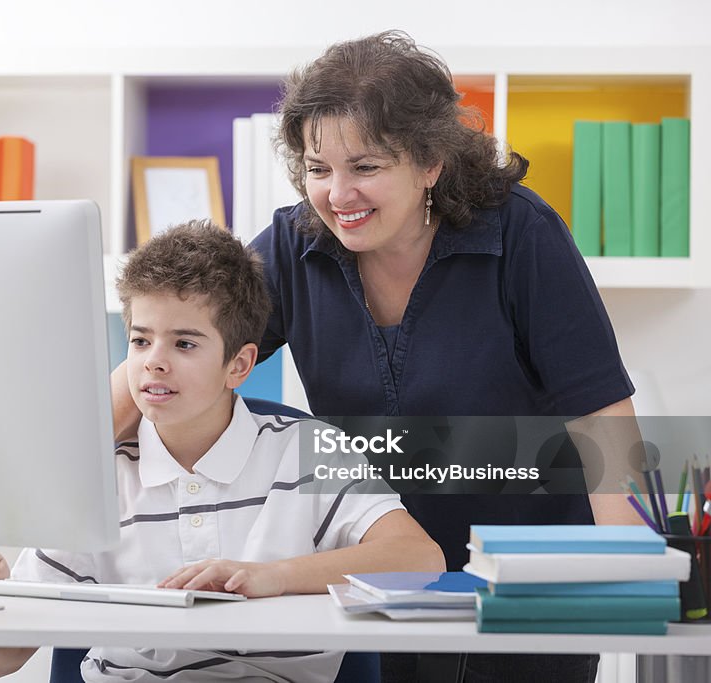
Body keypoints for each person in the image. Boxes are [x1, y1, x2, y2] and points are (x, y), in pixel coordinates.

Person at [106, 32, 645, 683]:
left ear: (429, 162)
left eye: (365, 166)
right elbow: (169, 345)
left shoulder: (520, 236)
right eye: (317, 168)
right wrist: (31, 514)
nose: (337, 194)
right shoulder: (293, 245)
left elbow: (604, 424)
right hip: (369, 591)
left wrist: (636, 585)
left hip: (520, 593)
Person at [0, 221, 444, 681]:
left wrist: (271, 577)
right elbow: (5, 656)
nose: (154, 362)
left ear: (239, 365)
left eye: (185, 343)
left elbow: (420, 558)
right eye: (141, 340)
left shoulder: (306, 451)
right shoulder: (100, 475)